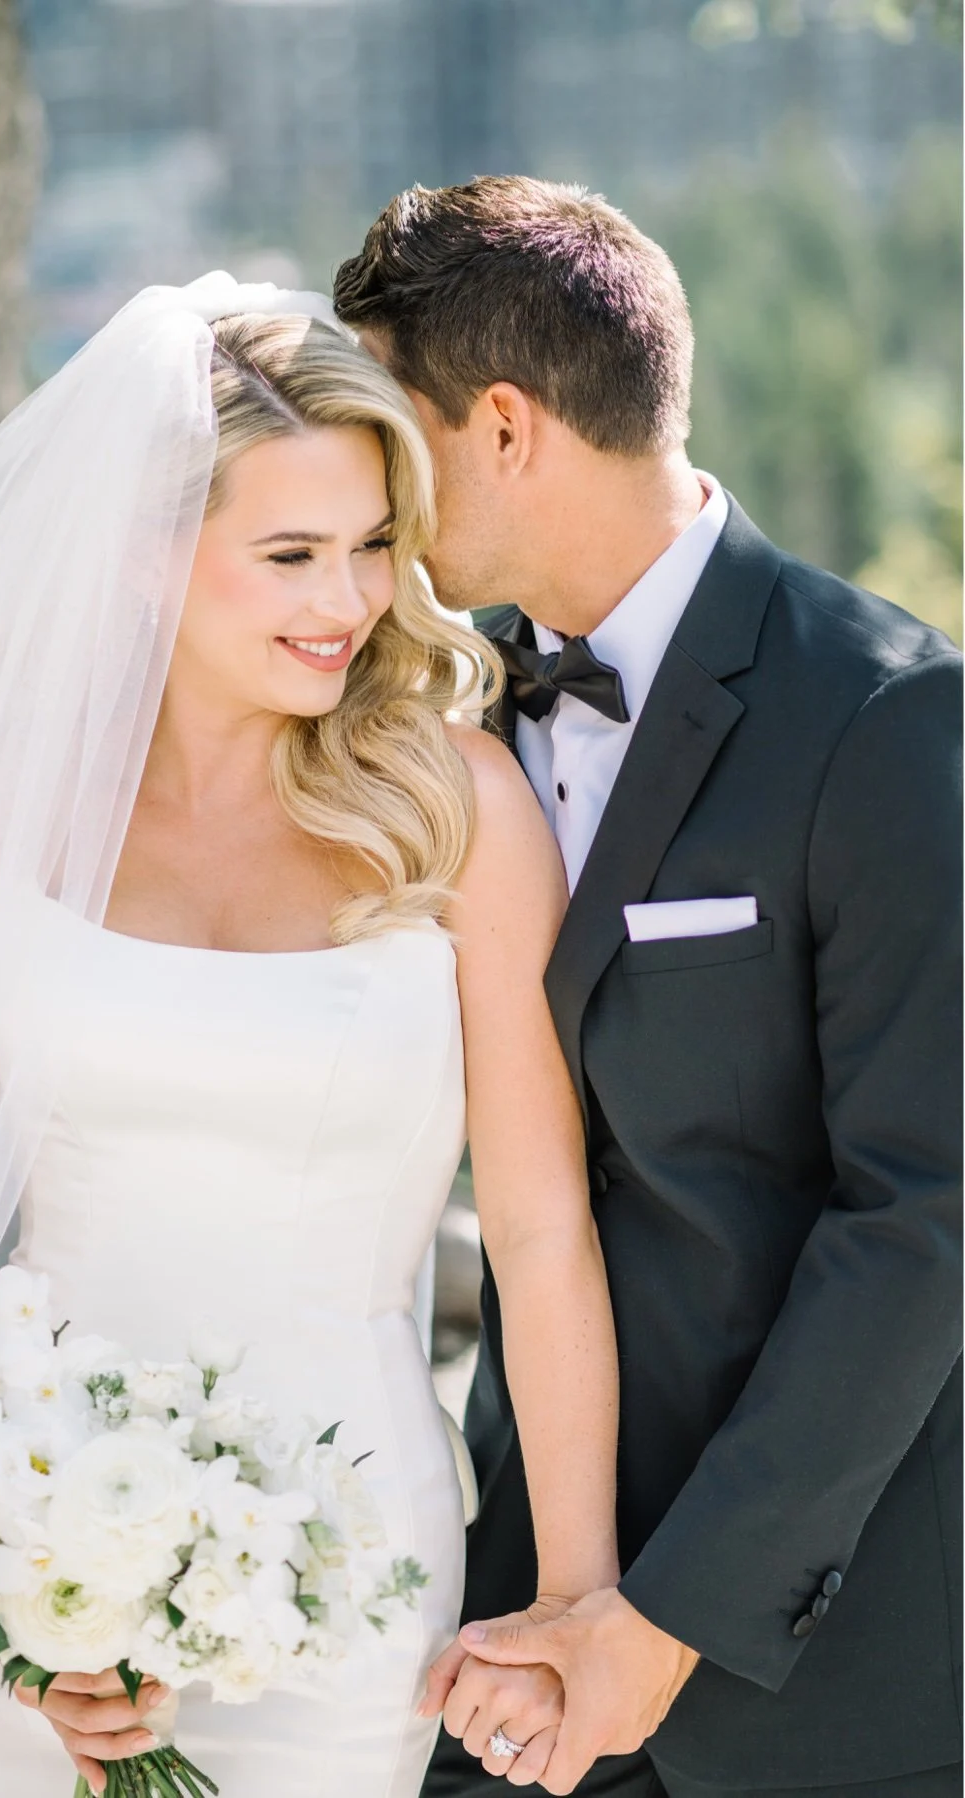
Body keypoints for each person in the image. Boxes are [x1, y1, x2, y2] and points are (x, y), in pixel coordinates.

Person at [0, 275, 622, 1796]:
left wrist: (573, 1591)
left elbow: (544, 1235)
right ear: (147, 557)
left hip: (349, 1561)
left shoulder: (459, 811)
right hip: (29, 1535)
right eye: (289, 553)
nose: (346, 602)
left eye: (372, 547)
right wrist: (22, 1602)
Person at [331, 177, 961, 1798]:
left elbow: (926, 1219)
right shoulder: (440, 726)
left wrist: (661, 1619)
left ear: (505, 427)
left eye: (393, 438)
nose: (375, 496)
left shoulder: (884, 718)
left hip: (803, 1660)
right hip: (499, 1624)